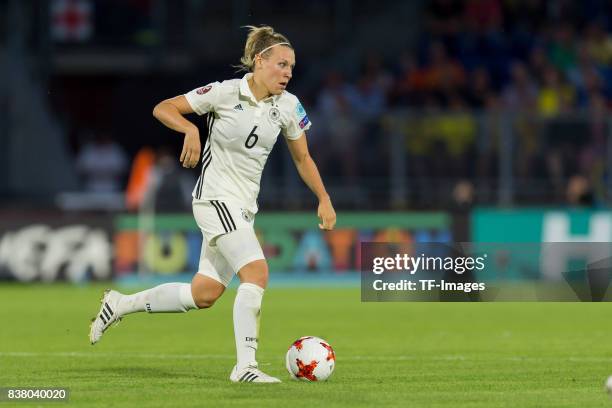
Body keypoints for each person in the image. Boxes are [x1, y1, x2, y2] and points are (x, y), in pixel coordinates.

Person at [88, 25, 337, 383]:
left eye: (292, 67)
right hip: (215, 199)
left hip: (243, 208)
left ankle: (120, 304)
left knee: (203, 294)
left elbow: (303, 159)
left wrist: (324, 197)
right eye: (282, 64)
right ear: (259, 60)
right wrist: (190, 129)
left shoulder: (288, 106)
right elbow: (164, 108)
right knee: (257, 273)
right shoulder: (222, 93)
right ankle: (245, 367)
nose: (288, 73)